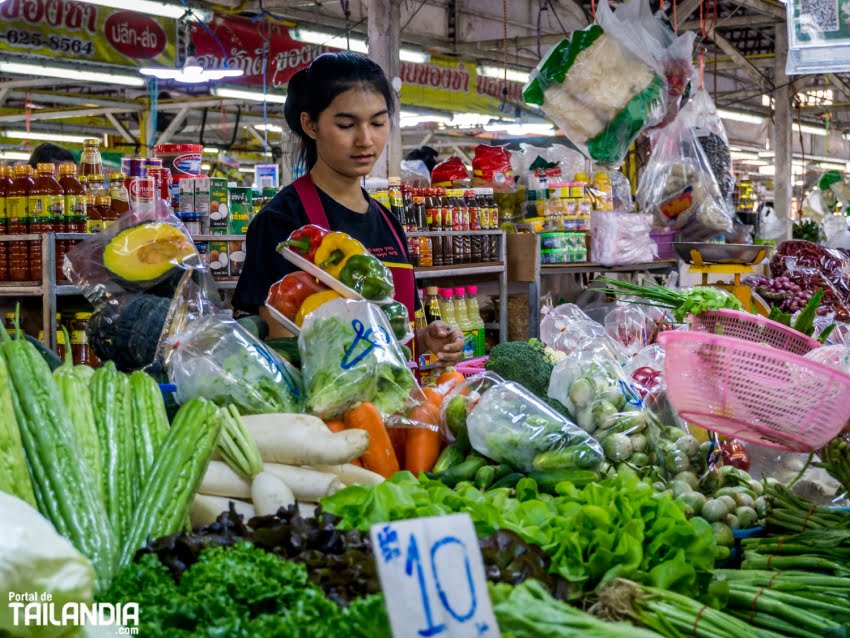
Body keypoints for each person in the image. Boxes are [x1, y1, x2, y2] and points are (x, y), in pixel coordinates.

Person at [233, 51, 464, 365]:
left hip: (398, 406)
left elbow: (395, 335)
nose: (365, 140)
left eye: (378, 123)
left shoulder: (389, 222)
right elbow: (280, 353)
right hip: (326, 410)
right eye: (346, 124)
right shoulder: (282, 221)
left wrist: (426, 340)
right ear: (310, 125)